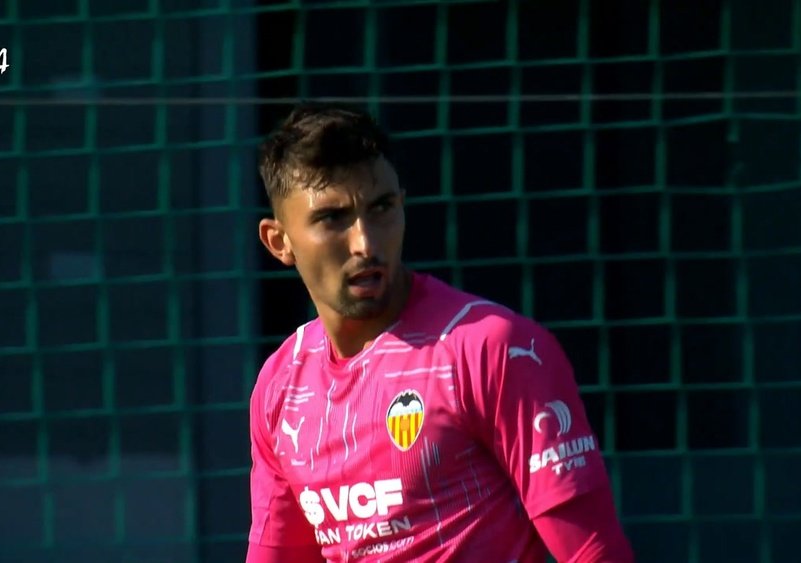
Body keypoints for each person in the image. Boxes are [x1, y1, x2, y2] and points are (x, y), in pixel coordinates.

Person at [246, 102, 634, 563]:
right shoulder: (280, 388)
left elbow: (594, 553)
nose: (365, 243)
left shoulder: (496, 349)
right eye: (332, 218)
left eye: (382, 208)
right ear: (279, 241)